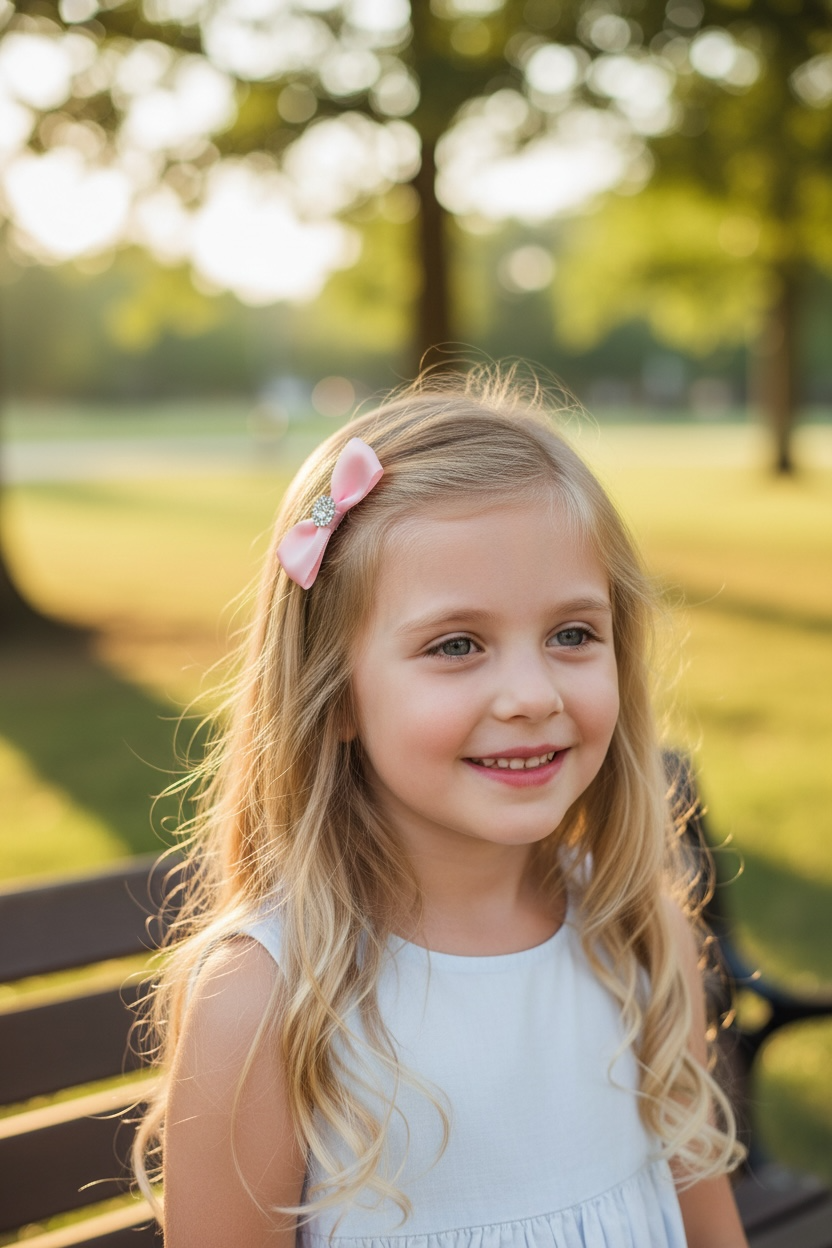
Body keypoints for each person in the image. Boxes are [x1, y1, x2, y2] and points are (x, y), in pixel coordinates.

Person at [134, 370, 748, 1248]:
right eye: (457, 645)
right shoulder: (267, 1000)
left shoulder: (639, 935)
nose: (532, 694)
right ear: (334, 696)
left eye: (572, 635)